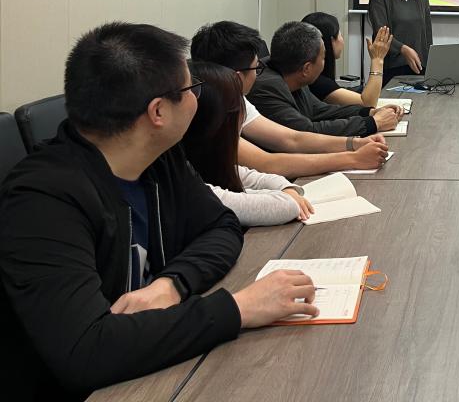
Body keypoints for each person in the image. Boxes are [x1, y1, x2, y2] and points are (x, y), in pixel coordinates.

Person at [0, 22, 320, 400]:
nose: (197, 97)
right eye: (190, 89)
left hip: (153, 363)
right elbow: (86, 350)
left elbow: (221, 225)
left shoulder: (157, 158)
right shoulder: (42, 200)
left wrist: (172, 284)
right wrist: (238, 309)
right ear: (158, 112)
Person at [190, 21, 388, 177]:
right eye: (256, 68)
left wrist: (354, 143)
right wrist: (353, 158)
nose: (258, 74)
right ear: (237, 77)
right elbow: (267, 163)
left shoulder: (238, 100)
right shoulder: (206, 113)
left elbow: (292, 139)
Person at [182, 61, 314, 226]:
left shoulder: (210, 159)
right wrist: (290, 199)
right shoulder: (184, 177)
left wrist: (287, 189)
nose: (244, 117)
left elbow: (253, 178)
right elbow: (241, 203)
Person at [248, 21, 403, 137]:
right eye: (323, 57)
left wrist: (370, 113)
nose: (325, 62)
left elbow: (320, 110)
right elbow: (307, 132)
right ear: (306, 69)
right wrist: (373, 123)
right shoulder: (267, 88)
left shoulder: (292, 73)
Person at [368, 0, 432, 84]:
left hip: (419, 68)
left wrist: (431, 65)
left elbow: (427, 34)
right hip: (391, 68)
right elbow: (381, 34)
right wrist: (403, 49)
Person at [301, 11, 392, 107]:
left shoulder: (313, 76)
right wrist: (377, 59)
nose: (342, 40)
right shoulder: (318, 82)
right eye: (340, 34)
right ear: (331, 41)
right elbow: (368, 103)